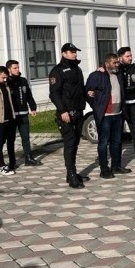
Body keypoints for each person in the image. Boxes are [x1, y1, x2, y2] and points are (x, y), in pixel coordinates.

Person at [49, 42, 89, 189]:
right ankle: (71, 176)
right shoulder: (57, 71)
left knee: (76, 143)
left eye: (75, 51)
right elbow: (54, 93)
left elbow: (80, 89)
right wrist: (62, 111)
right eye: (71, 52)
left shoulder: (76, 69)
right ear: (63, 53)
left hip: (78, 111)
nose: (74, 54)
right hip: (66, 113)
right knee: (70, 144)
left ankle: (71, 172)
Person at [86, 54, 127, 179]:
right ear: (107, 62)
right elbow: (88, 92)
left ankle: (116, 166)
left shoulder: (118, 75)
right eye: (114, 63)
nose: (117, 65)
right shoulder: (97, 75)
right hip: (105, 115)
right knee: (103, 142)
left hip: (118, 114)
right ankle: (104, 169)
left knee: (117, 141)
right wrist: (97, 107)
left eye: (117, 62)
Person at [6, 60, 42, 166]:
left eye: (18, 67)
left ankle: (28, 157)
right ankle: (12, 161)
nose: (17, 70)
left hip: (23, 113)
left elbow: (29, 95)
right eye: (15, 68)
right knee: (11, 138)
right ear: (9, 69)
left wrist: (33, 107)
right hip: (12, 115)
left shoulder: (23, 80)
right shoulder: (6, 81)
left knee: (25, 137)